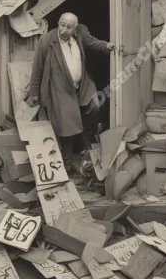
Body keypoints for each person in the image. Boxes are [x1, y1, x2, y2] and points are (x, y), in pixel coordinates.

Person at [27, 13, 115, 171]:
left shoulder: (80, 33)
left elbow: (93, 42)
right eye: (62, 25)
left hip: (82, 85)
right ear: (58, 24)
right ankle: (67, 162)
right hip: (59, 85)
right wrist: (34, 93)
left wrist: (107, 46)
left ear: (75, 28)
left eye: (69, 27)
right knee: (65, 123)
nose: (64, 30)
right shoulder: (46, 40)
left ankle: (86, 140)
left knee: (95, 105)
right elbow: (37, 68)